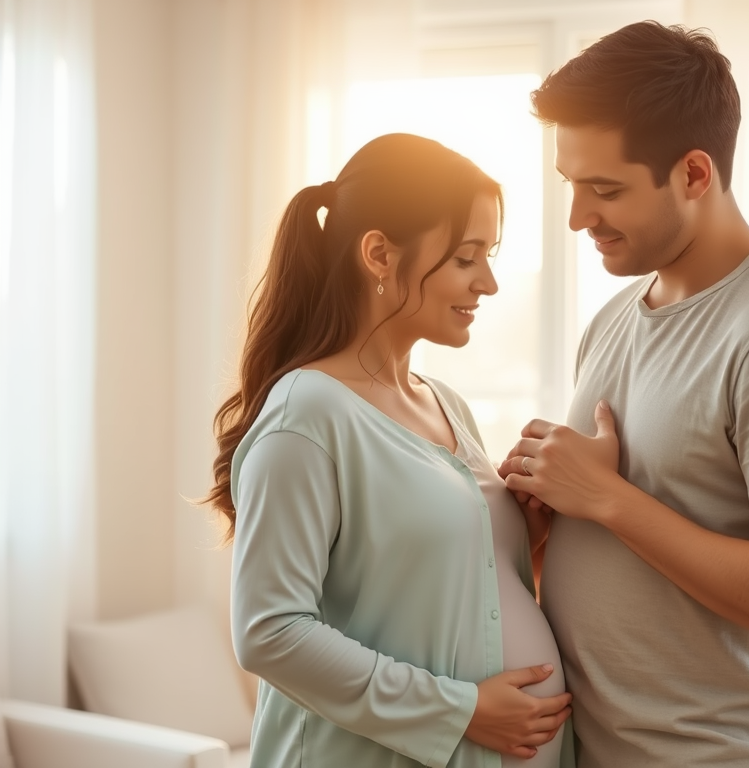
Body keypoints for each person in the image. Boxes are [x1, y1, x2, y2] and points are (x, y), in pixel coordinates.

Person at [498, 21, 749, 768]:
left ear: (695, 174)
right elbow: (635, 576)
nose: (578, 217)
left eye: (606, 190)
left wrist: (607, 499)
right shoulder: (613, 320)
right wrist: (547, 525)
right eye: (571, 185)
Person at [204, 133, 573, 768]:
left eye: (489, 256)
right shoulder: (306, 414)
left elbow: (428, 582)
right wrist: (458, 711)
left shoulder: (445, 403)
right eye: (466, 257)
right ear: (378, 254)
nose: (488, 283)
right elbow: (269, 631)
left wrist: (523, 535)